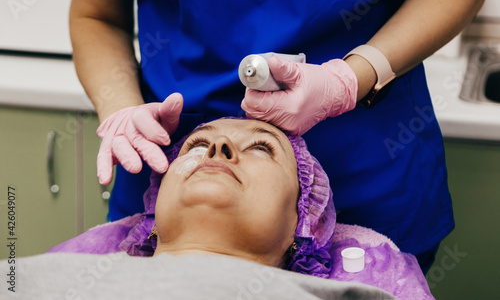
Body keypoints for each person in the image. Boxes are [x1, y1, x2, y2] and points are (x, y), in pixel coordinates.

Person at [69, 0, 488, 273]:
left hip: (366, 161)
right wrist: (120, 106)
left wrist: (350, 77)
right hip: (166, 154)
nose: (222, 147)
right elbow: (96, 14)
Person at [43, 117, 432, 299]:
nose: (217, 149)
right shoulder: (67, 280)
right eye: (196, 145)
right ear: (152, 221)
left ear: (301, 227)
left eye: (262, 148)